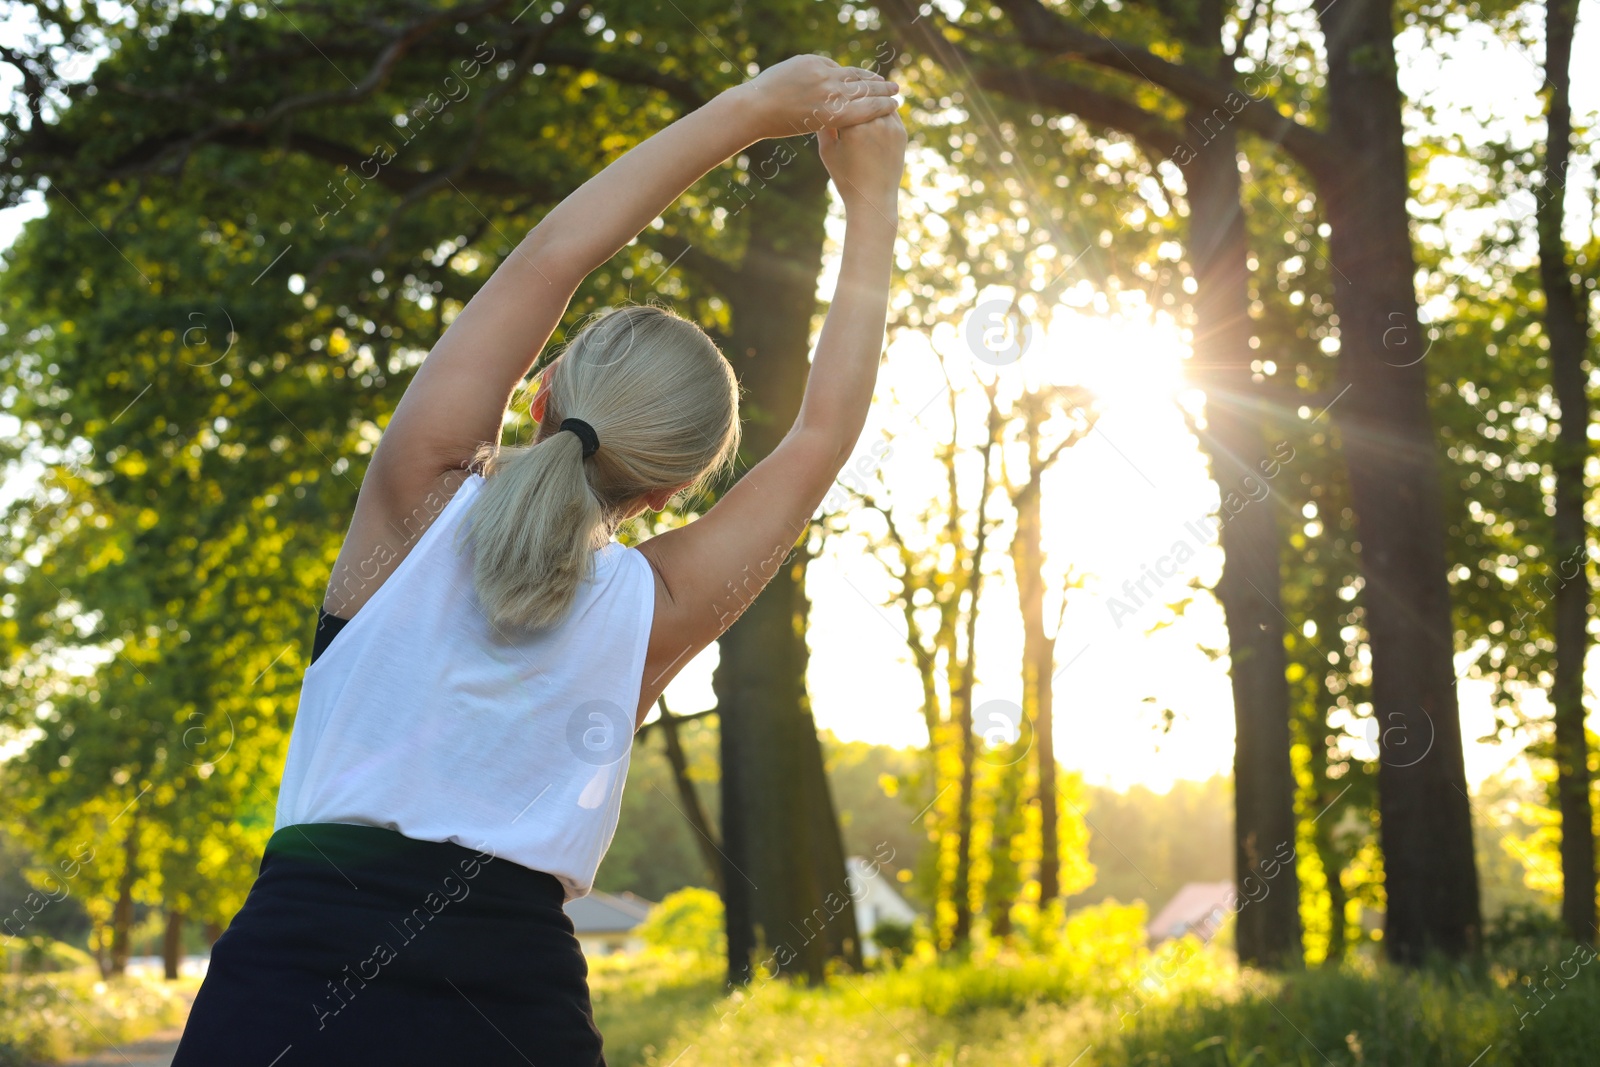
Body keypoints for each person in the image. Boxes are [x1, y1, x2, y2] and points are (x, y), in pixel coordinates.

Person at [171, 53, 905, 1066]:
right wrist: (874, 200)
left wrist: (747, 112)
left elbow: (550, 257)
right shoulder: (659, 607)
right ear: (671, 490)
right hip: (513, 1017)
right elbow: (822, 431)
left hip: (288, 993)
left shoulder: (416, 497)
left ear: (540, 391)